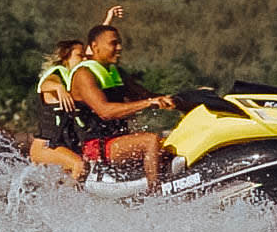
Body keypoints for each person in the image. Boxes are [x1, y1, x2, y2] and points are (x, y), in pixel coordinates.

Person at [69, 23, 175, 191]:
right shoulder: (84, 75)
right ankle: (157, 195)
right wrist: (148, 103)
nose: (119, 48)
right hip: (96, 146)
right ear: (94, 47)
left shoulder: (115, 72)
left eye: (119, 43)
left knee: (171, 145)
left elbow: (146, 96)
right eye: (113, 43)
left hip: (117, 141)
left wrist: (183, 98)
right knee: (150, 141)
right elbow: (105, 112)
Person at [28, 38, 87, 180]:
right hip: (45, 147)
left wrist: (108, 20)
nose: (85, 59)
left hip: (62, 146)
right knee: (79, 165)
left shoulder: (74, 78)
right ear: (66, 58)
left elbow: (99, 46)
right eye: (80, 56)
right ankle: (71, 202)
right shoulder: (57, 75)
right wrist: (58, 87)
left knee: (67, 180)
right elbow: (46, 85)